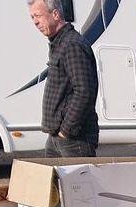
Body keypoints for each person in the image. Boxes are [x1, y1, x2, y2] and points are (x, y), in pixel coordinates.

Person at [28, 0, 99, 157]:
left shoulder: (72, 45)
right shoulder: (59, 44)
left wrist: (66, 131)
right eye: (32, 17)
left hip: (74, 139)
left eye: (38, 15)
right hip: (56, 137)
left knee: (79, 183)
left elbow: (84, 92)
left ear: (55, 14)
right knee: (53, 182)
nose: (35, 22)